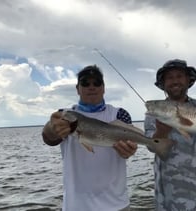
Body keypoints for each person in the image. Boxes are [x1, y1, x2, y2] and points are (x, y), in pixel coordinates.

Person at [42, 65, 138, 211]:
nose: (91, 87)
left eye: (96, 83)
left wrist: (130, 150)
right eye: (85, 83)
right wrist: (52, 127)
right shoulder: (65, 115)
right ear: (77, 89)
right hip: (76, 206)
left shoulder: (119, 114)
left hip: (116, 205)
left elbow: (129, 142)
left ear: (104, 88)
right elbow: (49, 138)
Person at [144, 59, 196, 211]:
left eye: (179, 76)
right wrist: (162, 131)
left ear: (189, 80)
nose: (175, 81)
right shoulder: (154, 114)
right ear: (163, 84)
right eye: (169, 77)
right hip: (170, 195)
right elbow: (152, 147)